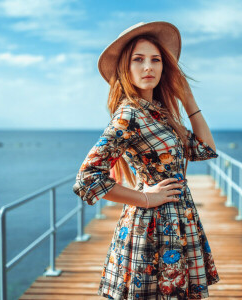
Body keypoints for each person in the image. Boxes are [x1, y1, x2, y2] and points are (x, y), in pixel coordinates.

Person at [73, 21, 220, 300]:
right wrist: (145, 198)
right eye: (138, 60)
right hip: (151, 227)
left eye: (156, 60)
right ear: (125, 69)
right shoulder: (129, 115)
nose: (148, 67)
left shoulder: (159, 113)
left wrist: (188, 99)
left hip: (178, 222)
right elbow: (87, 179)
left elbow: (204, 150)